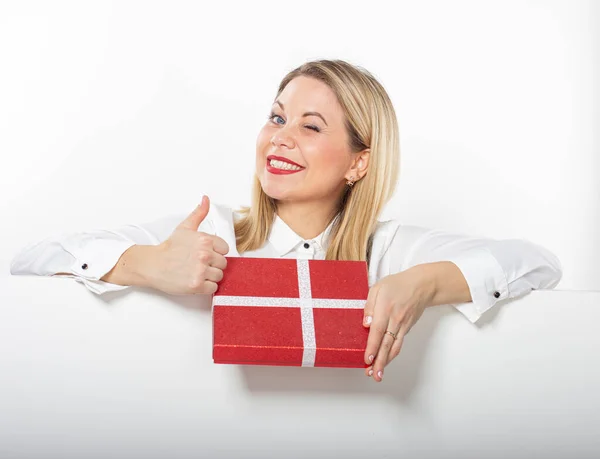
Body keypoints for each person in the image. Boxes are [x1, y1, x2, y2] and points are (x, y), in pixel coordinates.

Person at [9, 59, 562, 383]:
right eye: (277, 117)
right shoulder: (213, 234)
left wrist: (423, 283)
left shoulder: (388, 250)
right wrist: (144, 265)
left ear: (358, 161)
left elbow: (539, 264)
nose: (280, 135)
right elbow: (30, 263)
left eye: (311, 126)